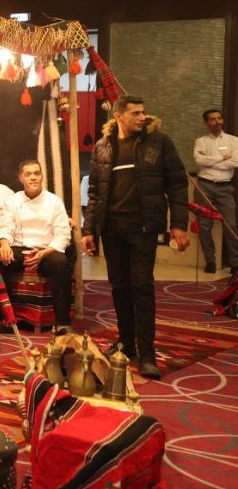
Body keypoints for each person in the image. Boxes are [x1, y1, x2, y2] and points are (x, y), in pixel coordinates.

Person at [83, 96, 190, 380]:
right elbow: (95, 193)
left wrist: (179, 225)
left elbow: (177, 185)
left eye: (143, 112)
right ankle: (126, 345)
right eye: (135, 113)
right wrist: (88, 230)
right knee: (119, 287)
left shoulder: (159, 142)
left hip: (143, 228)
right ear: (119, 116)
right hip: (112, 229)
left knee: (141, 286)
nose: (142, 117)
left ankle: (147, 354)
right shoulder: (103, 146)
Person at [0, 160, 73, 334]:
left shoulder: (54, 201)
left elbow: (63, 234)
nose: (33, 177)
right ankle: (4, 319)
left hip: (47, 250)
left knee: (61, 264)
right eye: (28, 174)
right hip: (19, 247)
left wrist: (45, 252)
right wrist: (4, 243)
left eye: (36, 173)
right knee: (0, 260)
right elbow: (5, 226)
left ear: (42, 176)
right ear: (21, 178)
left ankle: (62, 323)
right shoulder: (13, 200)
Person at [193, 109, 237, 275]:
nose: (217, 122)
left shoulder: (234, 141)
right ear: (206, 123)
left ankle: (235, 263)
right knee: (204, 226)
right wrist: (222, 158)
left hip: (225, 188)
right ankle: (210, 261)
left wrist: (209, 161)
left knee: (231, 225)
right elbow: (199, 161)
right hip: (204, 187)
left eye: (219, 118)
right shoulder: (200, 142)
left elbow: (235, 162)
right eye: (212, 119)